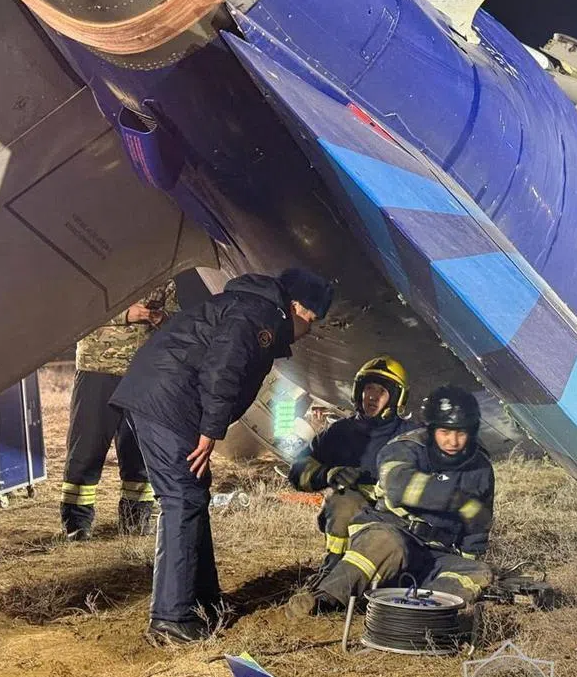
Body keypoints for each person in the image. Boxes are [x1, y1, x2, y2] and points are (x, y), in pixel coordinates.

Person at [110, 268, 333, 644]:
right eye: (311, 319)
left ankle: (204, 603)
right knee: (181, 499)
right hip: (168, 402)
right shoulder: (258, 316)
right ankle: (171, 618)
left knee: (193, 494)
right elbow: (223, 368)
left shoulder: (250, 308)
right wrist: (211, 430)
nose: (310, 329)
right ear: (295, 307)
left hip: (166, 397)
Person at [296, 386, 495, 615]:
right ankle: (323, 599)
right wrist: (457, 500)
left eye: (461, 433)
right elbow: (399, 487)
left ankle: (417, 615)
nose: (453, 441)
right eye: (445, 432)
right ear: (431, 429)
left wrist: (469, 556)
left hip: (436, 552)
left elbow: (477, 527)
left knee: (477, 571)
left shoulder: (481, 468)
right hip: (394, 531)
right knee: (386, 543)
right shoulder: (404, 447)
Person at [61, 281, 178, 541]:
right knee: (86, 446)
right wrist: (125, 314)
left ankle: (136, 520)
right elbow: (77, 309)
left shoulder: (163, 274)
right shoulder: (98, 271)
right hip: (96, 369)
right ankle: (77, 523)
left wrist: (162, 318)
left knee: (138, 449)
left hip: (143, 372)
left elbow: (175, 317)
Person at [288, 357, 419, 580]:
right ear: (359, 391)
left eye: (381, 391)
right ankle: (333, 567)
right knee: (343, 502)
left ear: (396, 399)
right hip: (352, 512)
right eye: (369, 388)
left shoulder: (413, 436)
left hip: (398, 518)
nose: (373, 396)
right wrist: (328, 474)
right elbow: (298, 470)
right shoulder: (340, 432)